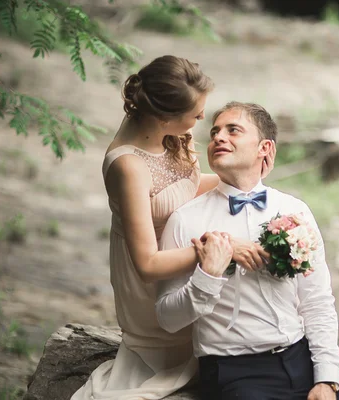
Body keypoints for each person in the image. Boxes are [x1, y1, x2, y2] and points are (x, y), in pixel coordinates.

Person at [71, 57, 275, 400]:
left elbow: (186, 185)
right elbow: (147, 265)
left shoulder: (170, 132)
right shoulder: (128, 167)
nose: (200, 121)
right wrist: (217, 250)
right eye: (195, 115)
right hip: (152, 282)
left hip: (180, 244)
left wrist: (251, 177)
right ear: (164, 116)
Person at [156, 102, 339, 400]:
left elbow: (318, 301)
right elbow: (167, 318)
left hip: (301, 360)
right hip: (233, 373)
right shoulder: (186, 220)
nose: (219, 137)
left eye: (233, 130)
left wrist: (326, 378)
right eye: (215, 132)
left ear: (264, 148)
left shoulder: (295, 211)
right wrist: (207, 275)